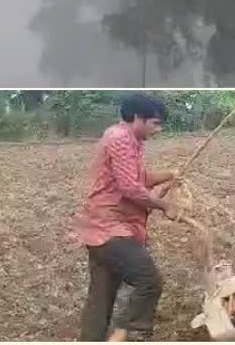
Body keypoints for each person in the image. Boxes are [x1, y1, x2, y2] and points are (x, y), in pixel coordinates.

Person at [69, 93, 183, 341]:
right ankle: (127, 335)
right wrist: (165, 205)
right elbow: (130, 188)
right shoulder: (120, 139)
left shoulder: (130, 139)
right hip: (109, 227)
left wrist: (169, 174)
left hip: (100, 227)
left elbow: (137, 179)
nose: (158, 130)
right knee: (149, 280)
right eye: (155, 123)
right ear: (137, 118)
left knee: (100, 297)